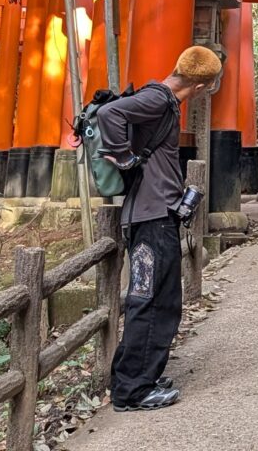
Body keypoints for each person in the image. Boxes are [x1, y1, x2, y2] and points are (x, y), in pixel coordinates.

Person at [99, 45, 222, 412]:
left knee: (164, 301)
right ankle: (132, 391)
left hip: (159, 214)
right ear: (199, 87)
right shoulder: (158, 98)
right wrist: (124, 157)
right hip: (150, 219)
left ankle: (140, 377)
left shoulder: (165, 102)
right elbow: (108, 113)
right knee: (149, 300)